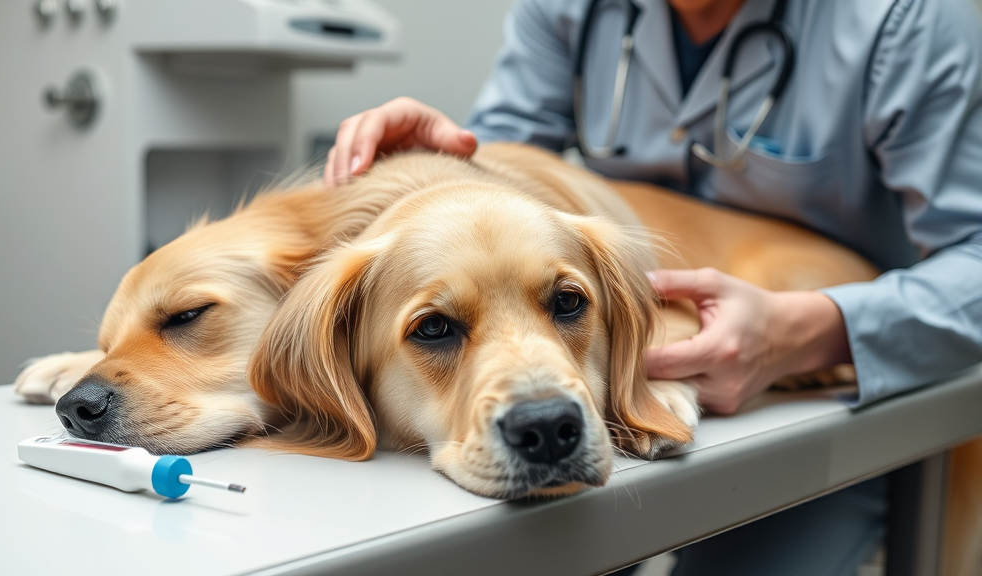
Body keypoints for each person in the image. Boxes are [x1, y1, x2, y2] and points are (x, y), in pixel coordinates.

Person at [324, 0, 982, 573]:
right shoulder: (567, 9)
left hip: (843, 386)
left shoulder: (905, 19)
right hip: (641, 382)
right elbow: (511, 192)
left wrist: (806, 331)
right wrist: (436, 167)